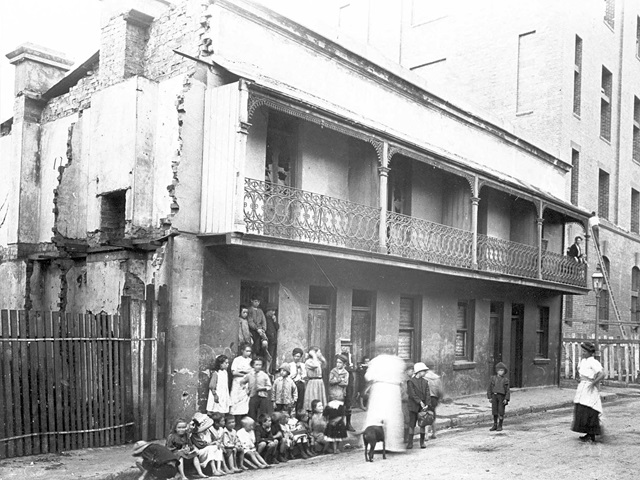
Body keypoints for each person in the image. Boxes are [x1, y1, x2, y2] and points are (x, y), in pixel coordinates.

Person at [364, 353, 405, 452]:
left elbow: (368, 376)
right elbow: (402, 377)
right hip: (393, 390)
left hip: (379, 389)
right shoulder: (398, 361)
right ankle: (392, 443)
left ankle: (375, 443)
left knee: (377, 414)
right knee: (392, 416)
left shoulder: (376, 360)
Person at [572, 342, 605, 442]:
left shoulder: (593, 362)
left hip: (589, 387)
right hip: (582, 386)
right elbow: (581, 373)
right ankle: (587, 433)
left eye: (585, 351)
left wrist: (593, 383)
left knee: (590, 409)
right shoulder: (583, 361)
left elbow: (602, 374)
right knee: (581, 408)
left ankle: (592, 434)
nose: (583, 353)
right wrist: (579, 378)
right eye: (582, 351)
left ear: (590, 353)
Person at [190, 412, 226, 476]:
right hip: (200, 451)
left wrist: (216, 443)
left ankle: (218, 468)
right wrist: (212, 443)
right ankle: (213, 470)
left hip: (207, 450)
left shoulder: (208, 431)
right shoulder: (195, 434)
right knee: (211, 448)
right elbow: (200, 445)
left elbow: (213, 439)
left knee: (218, 447)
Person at [406, 362, 430, 449]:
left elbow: (428, 393)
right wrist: (420, 402)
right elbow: (412, 394)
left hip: (422, 407)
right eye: (424, 371)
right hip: (413, 406)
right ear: (419, 371)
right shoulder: (410, 382)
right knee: (411, 424)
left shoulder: (425, 382)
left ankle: (422, 442)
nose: (425, 373)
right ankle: (410, 443)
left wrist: (427, 404)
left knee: (422, 424)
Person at [229, 343, 253, 424]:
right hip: (237, 383)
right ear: (242, 351)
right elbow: (234, 372)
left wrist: (246, 374)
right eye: (247, 351)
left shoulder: (250, 361)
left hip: (246, 384)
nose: (248, 353)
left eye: (250, 351)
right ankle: (236, 422)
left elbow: (252, 372)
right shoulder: (237, 360)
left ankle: (244, 422)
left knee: (245, 403)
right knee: (236, 402)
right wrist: (244, 374)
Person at [487, 362, 510, 432]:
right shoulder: (493, 379)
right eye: (500, 370)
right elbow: (489, 388)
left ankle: (500, 425)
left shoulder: (505, 380)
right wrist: (490, 397)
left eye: (502, 370)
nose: (501, 372)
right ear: (497, 371)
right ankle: (494, 424)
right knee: (494, 411)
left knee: (501, 411)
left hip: (501, 397)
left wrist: (506, 399)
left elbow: (507, 391)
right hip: (494, 396)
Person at [424, 364, 445, 439]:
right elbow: (440, 391)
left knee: (425, 415)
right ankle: (434, 433)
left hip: (426, 398)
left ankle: (426, 435)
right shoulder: (437, 378)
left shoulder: (424, 378)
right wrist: (439, 398)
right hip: (434, 399)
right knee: (433, 415)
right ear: (433, 369)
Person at [303, 346, 327, 412]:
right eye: (319, 352)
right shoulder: (309, 361)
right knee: (313, 399)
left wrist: (321, 357)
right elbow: (315, 365)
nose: (320, 353)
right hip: (313, 383)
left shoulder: (317, 361)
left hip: (319, 382)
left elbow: (324, 364)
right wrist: (313, 355)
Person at [289, 348, 307, 414]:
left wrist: (301, 369)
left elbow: (304, 376)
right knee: (292, 400)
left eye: (298, 356)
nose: (297, 358)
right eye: (295, 356)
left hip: (300, 384)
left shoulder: (303, 365)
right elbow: (289, 376)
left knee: (300, 401)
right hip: (292, 384)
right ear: (293, 356)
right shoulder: (290, 365)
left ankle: (298, 415)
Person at [265, 305, 279, 374]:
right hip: (266, 339)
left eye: (274, 311)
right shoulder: (265, 318)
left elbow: (277, 327)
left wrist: (275, 321)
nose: (273, 313)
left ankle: (270, 371)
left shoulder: (272, 319)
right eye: (272, 311)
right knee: (267, 355)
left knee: (271, 355)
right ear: (268, 310)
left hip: (273, 340)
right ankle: (266, 370)